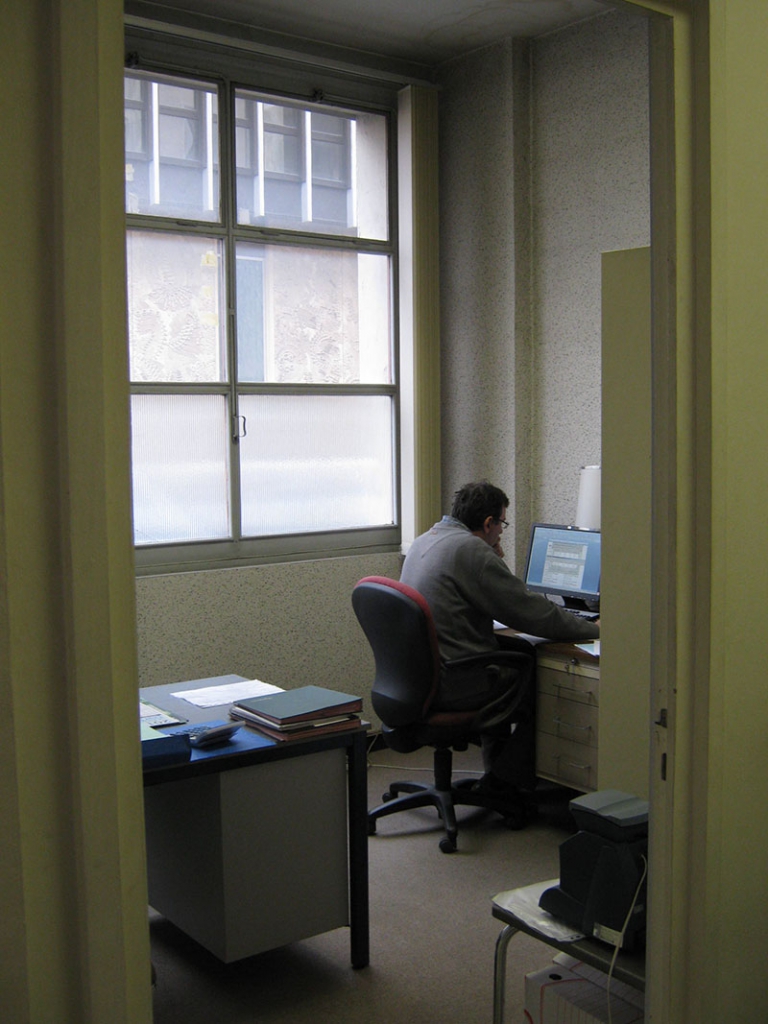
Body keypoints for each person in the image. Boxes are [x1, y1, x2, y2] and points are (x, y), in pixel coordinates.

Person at [400, 480, 600, 807]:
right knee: (533, 677)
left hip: (421, 677)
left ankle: (502, 774)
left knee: (518, 652)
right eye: (501, 526)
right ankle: (508, 781)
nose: (501, 534)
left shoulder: (427, 539)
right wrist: (593, 629)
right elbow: (534, 615)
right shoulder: (471, 550)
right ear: (489, 523)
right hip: (456, 682)